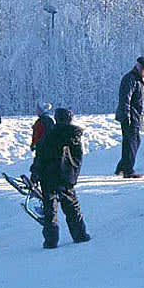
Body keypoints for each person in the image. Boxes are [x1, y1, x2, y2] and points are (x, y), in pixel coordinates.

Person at [32, 108, 90, 249]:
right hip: (66, 176)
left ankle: (51, 241)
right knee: (72, 207)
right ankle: (80, 235)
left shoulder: (49, 135)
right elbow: (77, 158)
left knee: (50, 210)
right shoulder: (75, 135)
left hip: (48, 176)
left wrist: (35, 172)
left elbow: (41, 155)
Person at [114, 57, 144, 178]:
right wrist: (126, 115)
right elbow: (125, 98)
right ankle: (128, 170)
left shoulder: (138, 80)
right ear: (138, 67)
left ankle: (122, 167)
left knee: (132, 141)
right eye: (143, 68)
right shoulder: (131, 79)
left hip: (134, 116)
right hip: (130, 116)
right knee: (132, 142)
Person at [29, 102, 55, 186]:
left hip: (44, 148)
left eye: (37, 110)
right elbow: (36, 134)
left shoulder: (46, 120)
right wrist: (33, 144)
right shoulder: (40, 120)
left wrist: (39, 143)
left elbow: (47, 134)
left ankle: (35, 180)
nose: (36, 111)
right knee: (37, 163)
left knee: (39, 163)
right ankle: (34, 180)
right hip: (40, 146)